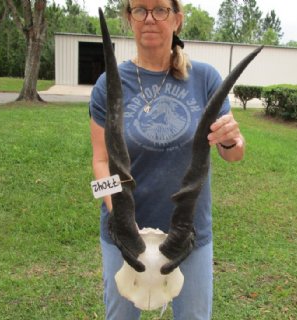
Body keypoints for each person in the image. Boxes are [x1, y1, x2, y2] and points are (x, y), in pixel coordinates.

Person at [89, 0, 245, 319]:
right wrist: (117, 214)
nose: (150, 18)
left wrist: (232, 140)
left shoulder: (205, 78)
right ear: (129, 19)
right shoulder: (108, 84)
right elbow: (100, 163)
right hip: (123, 236)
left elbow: (233, 155)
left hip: (188, 235)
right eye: (139, 10)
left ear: (176, 20)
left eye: (160, 9)